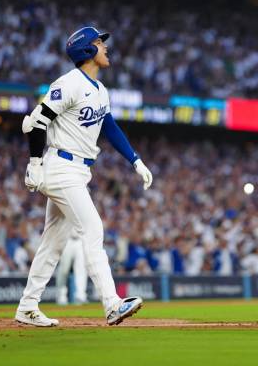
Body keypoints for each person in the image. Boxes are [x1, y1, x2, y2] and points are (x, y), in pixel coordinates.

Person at [15, 26, 154, 327]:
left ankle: (27, 306)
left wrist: (135, 159)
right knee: (93, 230)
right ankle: (111, 304)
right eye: (99, 43)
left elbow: (110, 128)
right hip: (61, 167)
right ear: (87, 50)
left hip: (77, 169)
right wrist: (35, 163)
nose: (105, 47)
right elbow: (37, 122)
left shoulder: (100, 89)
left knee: (53, 242)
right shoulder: (69, 83)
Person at [55, 228, 88, 305]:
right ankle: (61, 295)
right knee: (64, 270)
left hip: (80, 240)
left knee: (81, 269)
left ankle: (80, 295)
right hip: (67, 239)